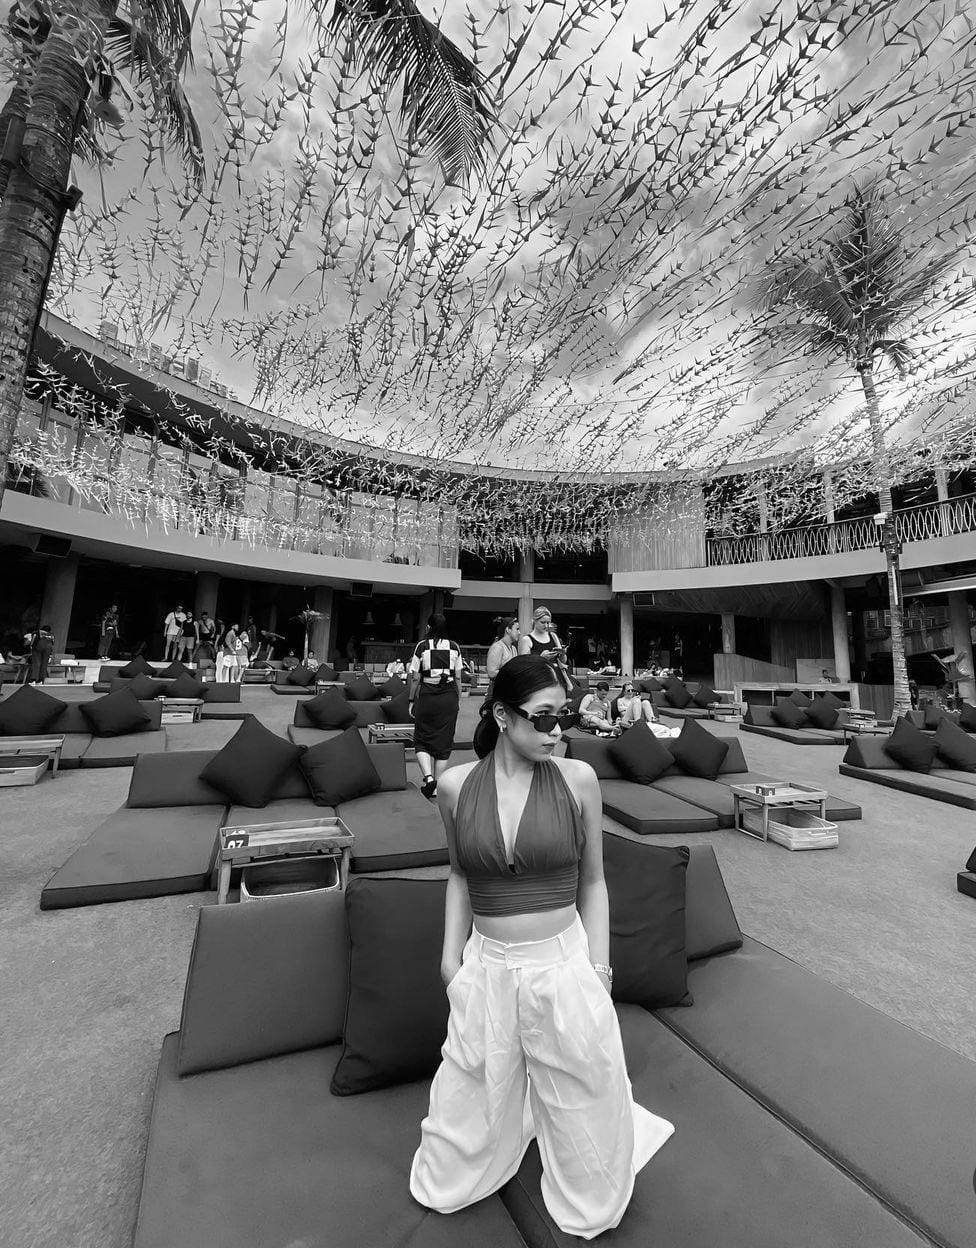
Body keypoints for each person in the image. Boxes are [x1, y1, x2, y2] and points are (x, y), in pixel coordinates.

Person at [410, 656, 674, 1236]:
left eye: (565, 718)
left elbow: (594, 882)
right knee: (450, 1164)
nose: (557, 731)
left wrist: (600, 969)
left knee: (589, 1148)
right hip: (487, 966)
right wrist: (450, 960)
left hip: (563, 962)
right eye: (545, 717)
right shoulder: (454, 787)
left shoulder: (578, 780)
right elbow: (460, 874)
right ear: (503, 716)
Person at [407, 614, 464, 800]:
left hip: (428, 696)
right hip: (449, 696)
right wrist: (457, 698)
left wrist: (411, 700)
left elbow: (415, 677)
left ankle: (429, 778)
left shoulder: (422, 646)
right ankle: (436, 786)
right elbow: (458, 677)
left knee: (421, 738)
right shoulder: (454, 646)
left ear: (428, 628)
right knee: (444, 740)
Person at [518, 606, 568, 670]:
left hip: (554, 674)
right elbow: (523, 665)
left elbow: (563, 661)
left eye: (548, 623)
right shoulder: (527, 640)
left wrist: (563, 654)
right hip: (537, 674)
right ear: (535, 621)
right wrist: (541, 658)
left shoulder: (553, 636)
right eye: (542, 622)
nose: (546, 626)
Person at [485, 616, 520, 699]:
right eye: (517, 629)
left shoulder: (513, 648)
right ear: (508, 630)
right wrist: (511, 672)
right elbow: (491, 672)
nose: (519, 632)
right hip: (497, 692)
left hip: (509, 691)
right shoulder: (497, 647)